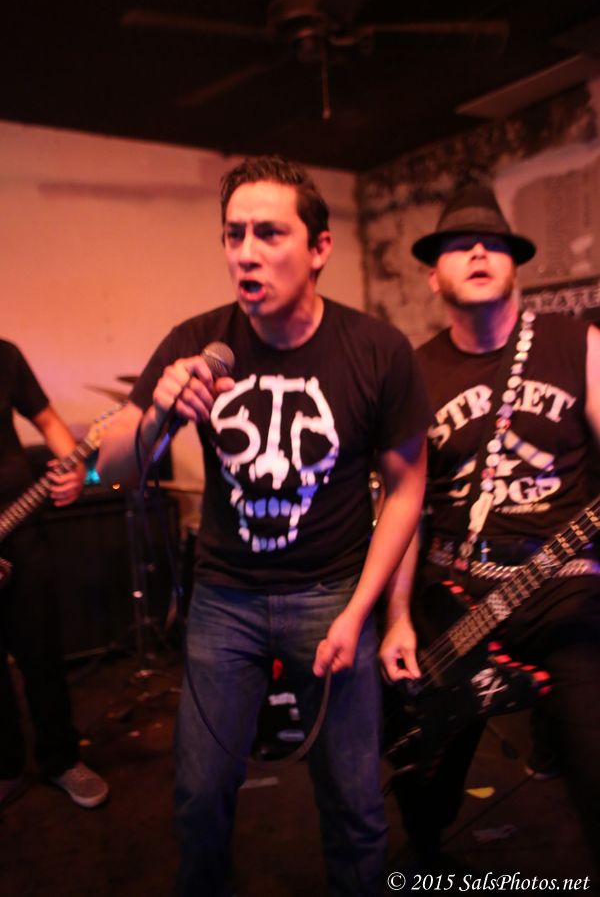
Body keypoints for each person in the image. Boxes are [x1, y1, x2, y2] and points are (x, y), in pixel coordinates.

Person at [97, 154, 430, 896]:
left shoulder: (377, 351)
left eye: (270, 233)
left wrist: (363, 611)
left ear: (319, 248)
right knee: (200, 797)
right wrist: (157, 412)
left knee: (354, 801)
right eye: (234, 233)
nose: (245, 252)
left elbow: (409, 488)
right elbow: (114, 468)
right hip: (225, 600)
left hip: (333, 594)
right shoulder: (195, 342)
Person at [379, 184, 600, 876]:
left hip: (560, 584)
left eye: (494, 243)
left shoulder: (578, 343)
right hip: (453, 591)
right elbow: (405, 505)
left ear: (514, 265)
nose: (478, 251)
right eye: (458, 245)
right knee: (423, 771)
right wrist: (397, 617)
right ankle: (425, 855)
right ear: (432, 275)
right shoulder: (414, 371)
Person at [0, 339, 109, 809]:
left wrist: (75, 468)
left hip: (21, 526)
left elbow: (47, 421)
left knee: (41, 652)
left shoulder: (4, 355)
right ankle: (5, 766)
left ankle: (61, 759)